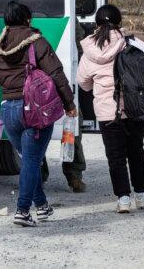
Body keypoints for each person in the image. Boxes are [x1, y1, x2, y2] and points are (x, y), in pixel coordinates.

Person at [0, 1, 77, 227]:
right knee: (32, 161)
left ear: (6, 22)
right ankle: (22, 211)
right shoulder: (37, 44)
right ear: (28, 20)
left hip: (9, 111)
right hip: (35, 111)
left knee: (30, 161)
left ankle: (42, 207)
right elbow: (57, 74)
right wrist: (69, 103)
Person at [77, 4, 144, 213]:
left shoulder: (90, 50)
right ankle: (141, 195)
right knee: (136, 151)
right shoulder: (132, 43)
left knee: (115, 156)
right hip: (135, 108)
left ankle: (123, 199)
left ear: (97, 23)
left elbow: (83, 83)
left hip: (107, 110)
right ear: (119, 21)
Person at [62, 18, 87, 192]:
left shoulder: (67, 13)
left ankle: (74, 175)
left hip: (67, 79)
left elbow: (80, 45)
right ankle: (38, 175)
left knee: (71, 130)